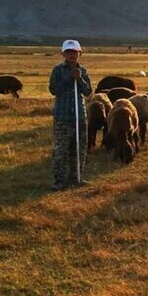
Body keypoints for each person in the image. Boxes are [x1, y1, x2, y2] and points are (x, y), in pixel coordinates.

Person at [49, 39, 92, 190]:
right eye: (68, 52)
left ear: (80, 53)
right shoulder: (58, 70)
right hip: (63, 116)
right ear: (63, 54)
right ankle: (59, 180)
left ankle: (77, 177)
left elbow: (87, 92)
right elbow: (54, 90)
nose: (72, 55)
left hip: (79, 116)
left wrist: (79, 78)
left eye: (74, 52)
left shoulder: (83, 71)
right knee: (61, 149)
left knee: (79, 149)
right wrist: (69, 78)